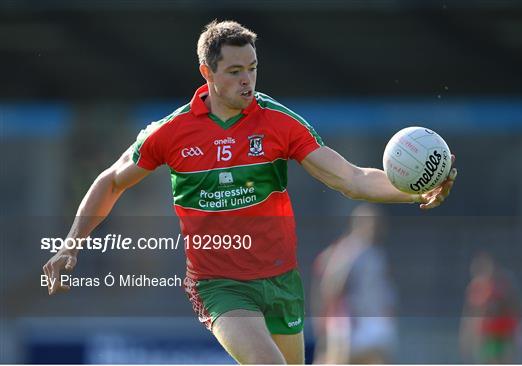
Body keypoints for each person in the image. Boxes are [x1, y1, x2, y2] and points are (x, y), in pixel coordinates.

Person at [43, 20, 457, 364]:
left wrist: (416, 192)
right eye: (235, 71)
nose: (247, 80)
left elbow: (350, 179)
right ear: (207, 73)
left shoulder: (279, 122)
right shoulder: (170, 133)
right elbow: (111, 181)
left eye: (253, 68)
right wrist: (71, 244)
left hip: (280, 280)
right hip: (218, 285)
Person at [312, 204, 397, 364]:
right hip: (352, 324)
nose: (374, 227)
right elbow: (330, 286)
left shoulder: (376, 252)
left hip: (374, 323)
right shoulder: (348, 250)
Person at [460, 251, 521, 364]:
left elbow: (513, 308)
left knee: (504, 361)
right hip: (487, 335)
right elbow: (472, 313)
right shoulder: (476, 288)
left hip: (503, 333)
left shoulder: (502, 285)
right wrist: (468, 335)